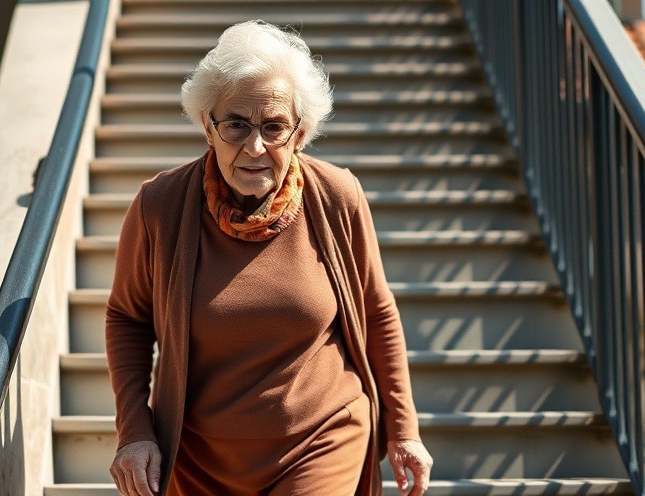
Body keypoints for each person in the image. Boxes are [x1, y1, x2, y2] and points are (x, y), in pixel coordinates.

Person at [105, 20, 432, 496]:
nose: (254, 147)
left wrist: (404, 431)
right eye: (236, 124)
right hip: (200, 458)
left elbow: (378, 312)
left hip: (321, 440)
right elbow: (126, 318)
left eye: (274, 126)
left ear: (299, 134)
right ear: (207, 126)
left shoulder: (337, 196)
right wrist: (134, 433)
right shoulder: (160, 205)